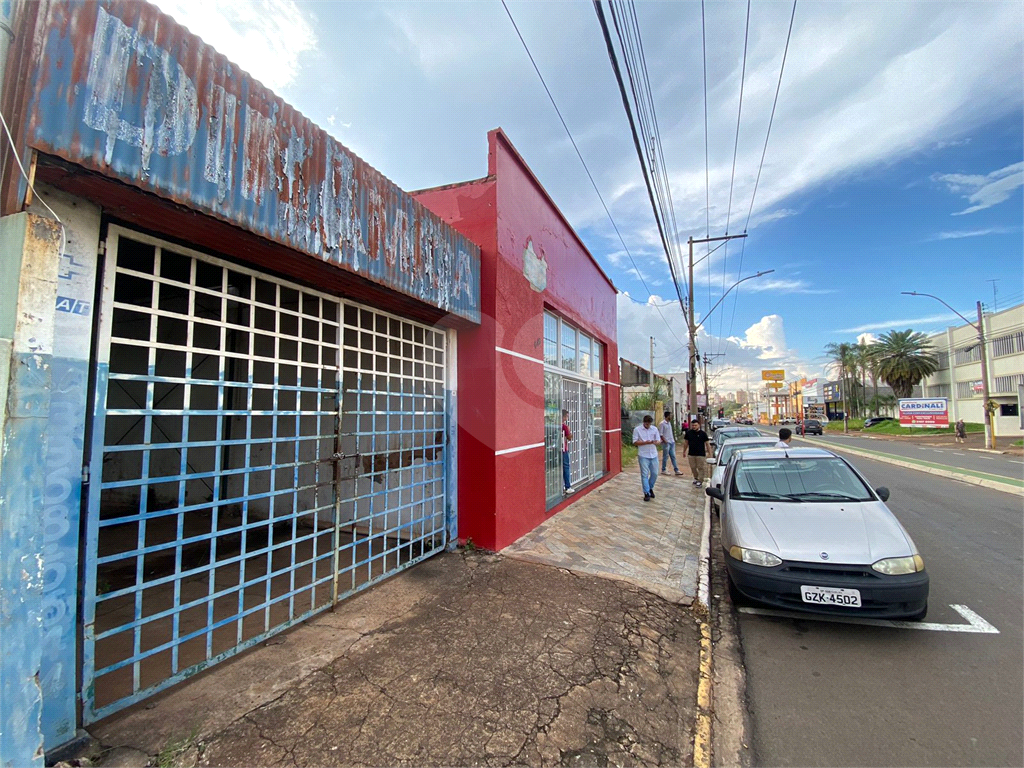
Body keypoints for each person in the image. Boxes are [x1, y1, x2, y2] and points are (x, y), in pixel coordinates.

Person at [632, 414, 662, 501]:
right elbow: (635, 442)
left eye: (649, 424)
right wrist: (645, 442)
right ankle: (646, 492)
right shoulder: (637, 430)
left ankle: (650, 487)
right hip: (643, 454)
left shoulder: (654, 429)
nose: (647, 425)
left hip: (653, 454)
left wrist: (657, 442)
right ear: (643, 422)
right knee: (644, 474)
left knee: (655, 473)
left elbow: (658, 440)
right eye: (646, 424)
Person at [682, 416, 711, 488]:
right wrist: (684, 451)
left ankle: (700, 481)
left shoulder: (703, 434)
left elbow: (707, 444)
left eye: (695, 425)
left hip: (700, 454)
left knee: (701, 467)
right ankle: (696, 478)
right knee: (693, 467)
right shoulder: (689, 433)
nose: (694, 427)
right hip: (691, 453)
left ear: (699, 425)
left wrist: (709, 453)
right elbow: (686, 443)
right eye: (693, 425)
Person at [658, 411, 682, 475]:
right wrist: (665, 440)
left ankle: (676, 470)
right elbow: (660, 434)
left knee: (673, 456)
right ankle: (663, 469)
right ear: (667, 416)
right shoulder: (662, 424)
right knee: (665, 456)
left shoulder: (669, 423)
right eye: (670, 415)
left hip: (672, 441)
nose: (671, 416)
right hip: (666, 442)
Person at [561, 410, 574, 495]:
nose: (567, 418)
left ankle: (561, 486)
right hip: (564, 449)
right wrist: (569, 430)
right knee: (566, 467)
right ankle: (567, 487)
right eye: (566, 416)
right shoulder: (564, 426)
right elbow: (569, 438)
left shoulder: (554, 425)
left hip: (556, 450)